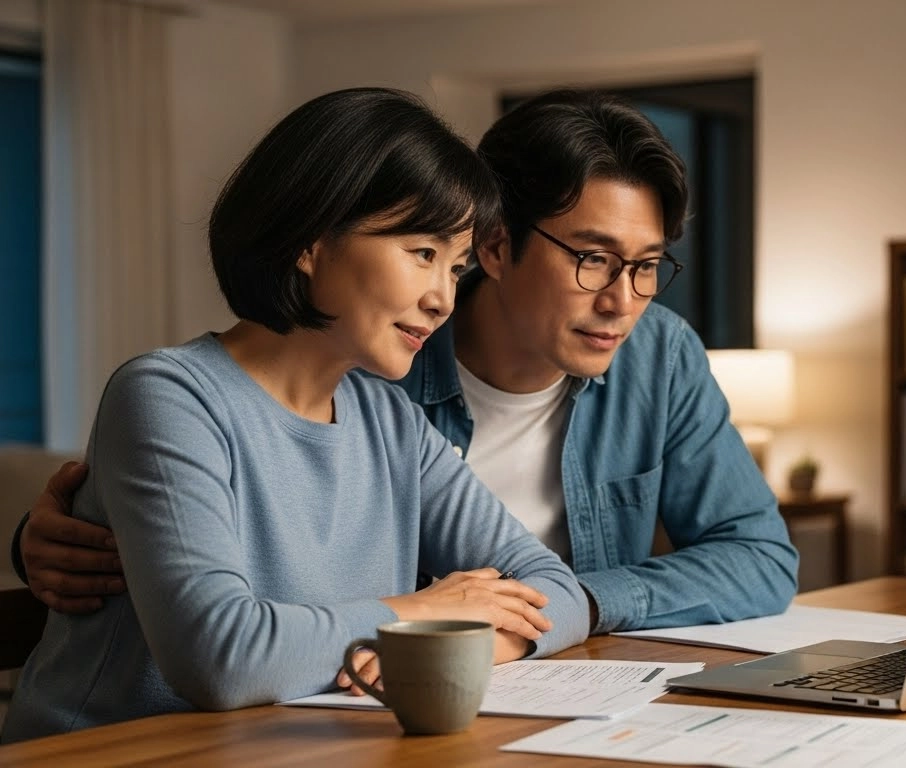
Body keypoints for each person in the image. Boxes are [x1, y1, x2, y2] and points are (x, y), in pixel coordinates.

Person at [11, 89, 798, 640]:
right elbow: (221, 567)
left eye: (649, 264)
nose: (625, 299)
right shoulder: (364, 368)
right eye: (593, 259)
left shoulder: (656, 354)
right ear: (494, 244)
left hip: (514, 667)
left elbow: (759, 557)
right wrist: (55, 536)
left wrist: (557, 610)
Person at [1, 87, 588, 744]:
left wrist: (477, 641)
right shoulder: (168, 396)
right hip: (108, 755)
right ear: (311, 240)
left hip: (296, 747)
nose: (441, 299)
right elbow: (222, 658)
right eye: (422, 253)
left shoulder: (388, 421)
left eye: (454, 269)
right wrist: (423, 614)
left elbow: (557, 592)